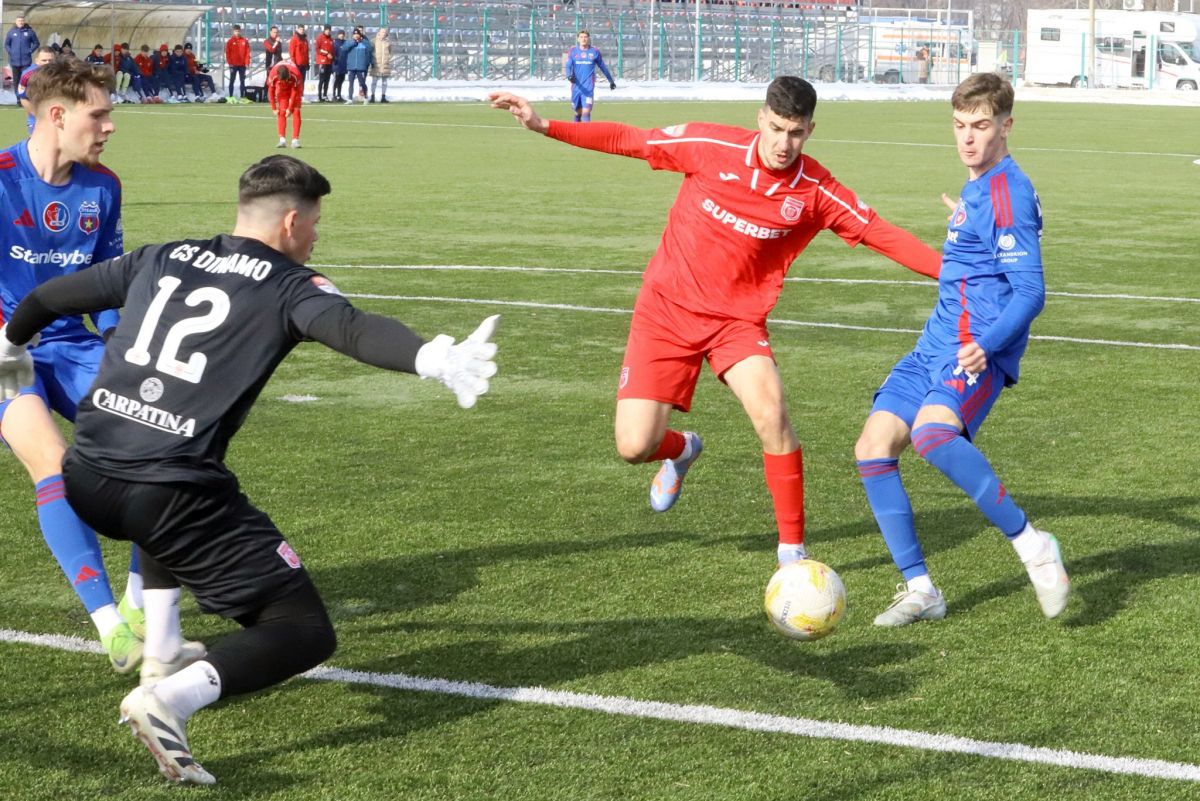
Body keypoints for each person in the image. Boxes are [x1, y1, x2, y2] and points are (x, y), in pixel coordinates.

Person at [0, 154, 500, 785]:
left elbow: (48, 297)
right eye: (315, 223)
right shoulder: (288, 284)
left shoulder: (162, 255)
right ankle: (168, 700)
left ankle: (159, 647)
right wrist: (430, 356)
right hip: (166, 492)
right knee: (305, 630)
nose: (316, 235)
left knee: (176, 489)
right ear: (291, 222)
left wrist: (10, 347)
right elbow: (350, 327)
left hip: (90, 475)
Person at [489, 77, 941, 568]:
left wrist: (958, 273)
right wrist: (544, 125)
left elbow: (880, 233)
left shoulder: (815, 190)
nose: (783, 144)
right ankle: (681, 450)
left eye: (795, 133)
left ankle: (792, 552)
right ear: (760, 120)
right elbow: (631, 140)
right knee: (634, 445)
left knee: (773, 414)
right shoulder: (710, 146)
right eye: (775, 129)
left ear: (810, 130)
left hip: (736, 322)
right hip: (666, 309)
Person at [854, 72, 1067, 627]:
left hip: (974, 349)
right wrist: (965, 218)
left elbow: (1031, 291)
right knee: (874, 446)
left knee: (930, 433)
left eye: (980, 126)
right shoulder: (980, 191)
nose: (967, 138)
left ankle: (1033, 545)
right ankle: (921, 589)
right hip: (933, 343)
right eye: (959, 126)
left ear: (1006, 126)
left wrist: (987, 345)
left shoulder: (1006, 192)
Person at [0, 56, 146, 672]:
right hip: (7, 349)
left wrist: (120, 344)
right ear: (57, 115)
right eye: (100, 113)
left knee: (156, 439)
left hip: (74, 342)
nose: (110, 126)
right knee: (52, 461)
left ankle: (143, 607)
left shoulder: (103, 187)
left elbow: (106, 285)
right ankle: (111, 626)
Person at [563, 30, 615, 123]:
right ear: (578, 39)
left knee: (586, 112)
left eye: (585, 37)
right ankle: (575, 134)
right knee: (578, 112)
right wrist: (569, 76)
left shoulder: (594, 51)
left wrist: (611, 81)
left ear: (589, 38)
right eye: (581, 37)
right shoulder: (573, 51)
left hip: (588, 88)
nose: (583, 39)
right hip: (576, 87)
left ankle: (587, 136)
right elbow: (568, 65)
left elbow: (603, 67)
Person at [16, 46, 55, 135]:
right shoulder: (27, 76)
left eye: (50, 60)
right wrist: (38, 116)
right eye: (44, 60)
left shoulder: (61, 73)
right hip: (37, 116)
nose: (47, 63)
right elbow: (23, 99)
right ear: (37, 61)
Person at [268, 58, 303, 148]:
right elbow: (271, 92)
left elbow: (295, 92)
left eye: (286, 79)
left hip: (294, 89)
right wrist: (274, 108)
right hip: (282, 91)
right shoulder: (273, 75)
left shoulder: (296, 74)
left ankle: (295, 140)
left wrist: (290, 108)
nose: (285, 81)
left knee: (296, 112)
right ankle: (282, 140)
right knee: (281, 113)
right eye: (283, 80)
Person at [5, 16, 40, 99]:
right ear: (16, 22)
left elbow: (36, 43)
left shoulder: (30, 32)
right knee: (16, 81)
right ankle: (18, 99)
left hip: (26, 61)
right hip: (14, 61)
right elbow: (6, 44)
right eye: (19, 20)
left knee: (25, 79)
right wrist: (11, 52)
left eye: (22, 20)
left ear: (24, 22)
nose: (20, 22)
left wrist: (30, 51)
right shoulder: (11, 32)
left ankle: (25, 97)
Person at [343, 29, 372, 105]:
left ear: (360, 35)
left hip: (361, 67)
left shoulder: (364, 43)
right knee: (351, 83)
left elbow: (370, 49)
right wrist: (353, 43)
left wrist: (363, 41)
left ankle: (365, 97)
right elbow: (344, 48)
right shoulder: (349, 42)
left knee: (362, 83)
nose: (356, 36)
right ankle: (350, 98)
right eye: (354, 34)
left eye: (357, 34)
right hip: (351, 66)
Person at [224, 24, 250, 102]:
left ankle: (242, 97)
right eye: (235, 31)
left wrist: (247, 63)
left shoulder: (244, 41)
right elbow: (227, 53)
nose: (237, 33)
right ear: (233, 31)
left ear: (240, 31)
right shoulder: (230, 41)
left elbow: (247, 53)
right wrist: (230, 63)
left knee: (242, 81)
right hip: (233, 65)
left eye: (238, 31)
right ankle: (231, 97)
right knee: (232, 80)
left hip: (242, 65)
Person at [368, 27, 392, 103]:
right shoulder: (374, 41)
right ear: (379, 33)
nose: (383, 34)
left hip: (385, 64)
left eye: (385, 32)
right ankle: (372, 96)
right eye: (382, 32)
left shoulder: (388, 42)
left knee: (384, 82)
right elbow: (370, 52)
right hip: (376, 64)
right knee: (374, 81)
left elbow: (390, 52)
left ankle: (383, 97)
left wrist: (388, 59)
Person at [314, 24, 334, 102]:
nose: (328, 31)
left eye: (329, 30)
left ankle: (325, 95)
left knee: (327, 80)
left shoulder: (331, 40)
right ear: (324, 30)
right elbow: (317, 49)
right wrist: (327, 54)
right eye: (327, 30)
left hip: (329, 62)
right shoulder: (320, 38)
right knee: (321, 79)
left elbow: (332, 50)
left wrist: (332, 56)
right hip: (322, 62)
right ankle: (319, 96)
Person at [331, 29, 348, 102]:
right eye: (340, 34)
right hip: (337, 65)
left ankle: (339, 95)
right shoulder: (335, 43)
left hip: (343, 65)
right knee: (336, 80)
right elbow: (332, 53)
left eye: (343, 34)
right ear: (338, 35)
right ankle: (334, 95)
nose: (342, 35)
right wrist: (334, 60)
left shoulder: (345, 43)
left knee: (341, 81)